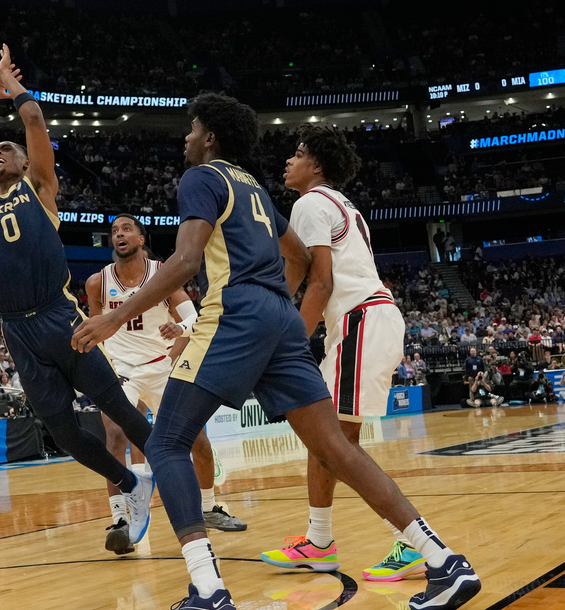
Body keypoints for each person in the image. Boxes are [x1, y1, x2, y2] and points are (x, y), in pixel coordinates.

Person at [71, 93, 480, 610]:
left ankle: (208, 588)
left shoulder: (202, 177)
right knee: (337, 449)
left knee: (167, 444)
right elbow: (301, 256)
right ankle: (445, 561)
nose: (187, 137)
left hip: (237, 311)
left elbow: (185, 259)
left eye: (193, 129)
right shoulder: (256, 189)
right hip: (282, 321)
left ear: (212, 137)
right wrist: (275, 308)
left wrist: (110, 317)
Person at [0, 45, 155, 547]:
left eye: (7, 150)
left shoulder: (39, 185)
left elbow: (32, 114)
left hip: (60, 316)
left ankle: (174, 477)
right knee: (64, 433)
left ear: (24, 161)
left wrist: (10, 89)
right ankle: (129, 483)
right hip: (16, 327)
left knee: (118, 410)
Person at [255, 123, 426, 583]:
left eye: (297, 153)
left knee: (334, 443)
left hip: (360, 321)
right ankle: (319, 542)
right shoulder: (340, 204)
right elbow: (310, 274)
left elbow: (323, 282)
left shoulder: (310, 202)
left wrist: (288, 343)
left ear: (318, 166)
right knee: (328, 441)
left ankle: (415, 545)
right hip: (366, 321)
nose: (288, 161)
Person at [86, 215, 245, 556]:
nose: (119, 235)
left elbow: (193, 316)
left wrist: (180, 331)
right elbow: (98, 328)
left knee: (197, 441)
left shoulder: (162, 274)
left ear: (141, 239)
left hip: (161, 367)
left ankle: (210, 507)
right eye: (114, 231)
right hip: (123, 369)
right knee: (113, 436)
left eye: (126, 229)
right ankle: (119, 520)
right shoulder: (97, 283)